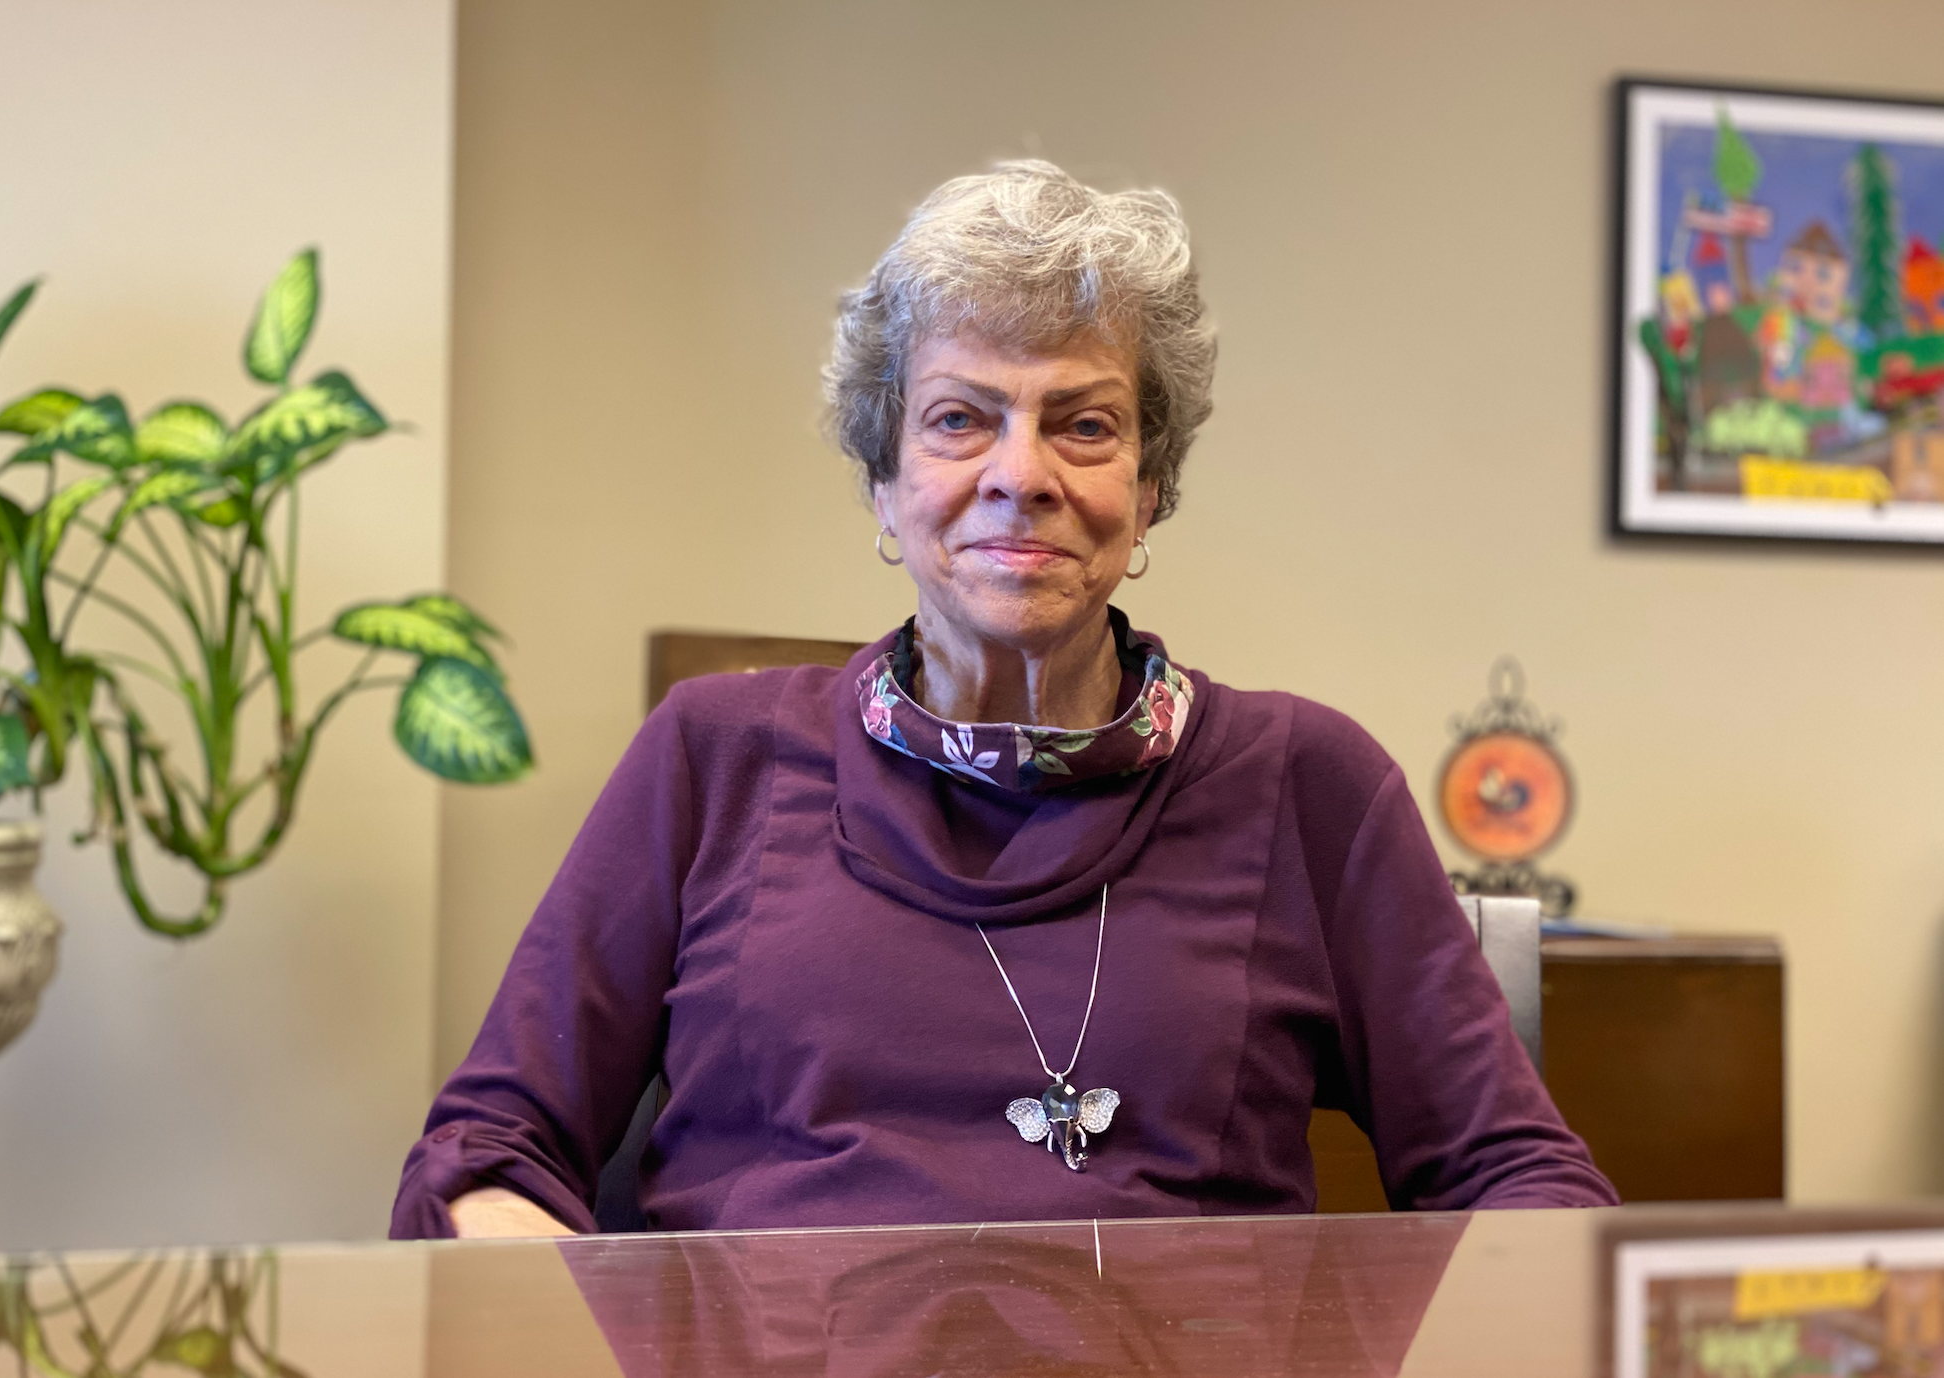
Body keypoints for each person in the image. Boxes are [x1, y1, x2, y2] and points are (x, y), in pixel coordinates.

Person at [391, 160, 1616, 1240]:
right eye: (957, 420)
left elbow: (1521, 1179)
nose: (1018, 474)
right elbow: (486, 1153)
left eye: (1082, 425)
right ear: (882, 484)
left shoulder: (1307, 782)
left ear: (1148, 491)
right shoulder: (711, 758)